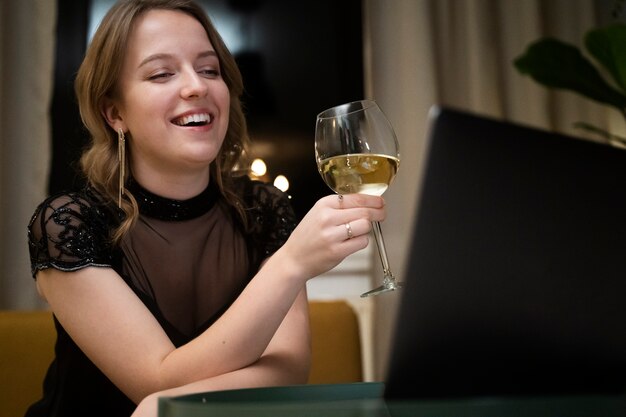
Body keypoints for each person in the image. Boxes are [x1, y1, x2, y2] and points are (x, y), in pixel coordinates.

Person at [25, 1, 386, 416]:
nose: (197, 86)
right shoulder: (67, 223)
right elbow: (155, 378)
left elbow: (288, 366)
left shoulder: (262, 206)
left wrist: (170, 399)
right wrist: (292, 264)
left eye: (210, 69)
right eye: (162, 73)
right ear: (115, 113)